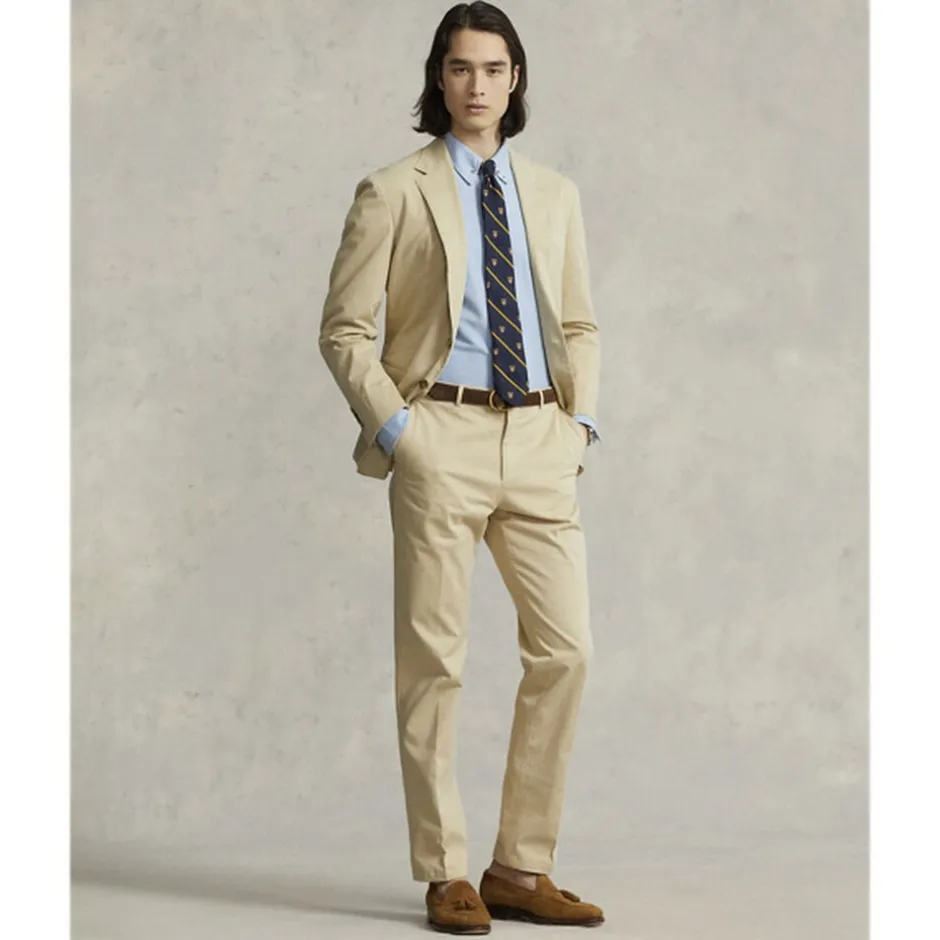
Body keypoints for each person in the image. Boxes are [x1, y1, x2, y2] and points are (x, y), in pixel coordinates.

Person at [319, 2, 604, 932]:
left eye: (492, 68)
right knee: (434, 659)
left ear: (515, 80)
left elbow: (578, 322)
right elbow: (345, 330)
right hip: (440, 434)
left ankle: (521, 866)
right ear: (437, 79)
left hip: (540, 440)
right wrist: (401, 431)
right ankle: (445, 869)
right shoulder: (392, 189)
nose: (476, 85)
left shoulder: (553, 194)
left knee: (566, 649)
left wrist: (579, 424)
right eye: (459, 68)